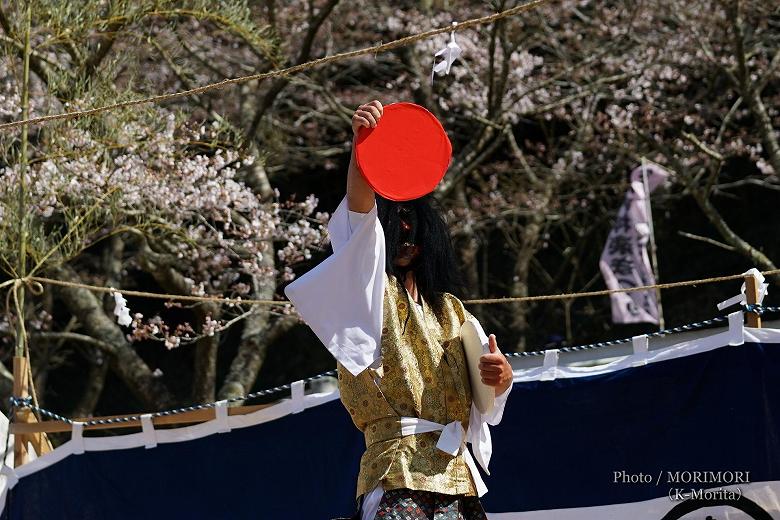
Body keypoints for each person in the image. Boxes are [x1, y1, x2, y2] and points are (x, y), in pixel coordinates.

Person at [285, 100, 513, 520]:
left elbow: (485, 397)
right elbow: (358, 219)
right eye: (395, 221)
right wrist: (363, 149)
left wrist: (501, 377)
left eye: (413, 221)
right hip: (395, 470)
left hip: (455, 476)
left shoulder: (451, 310)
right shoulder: (369, 293)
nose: (404, 230)